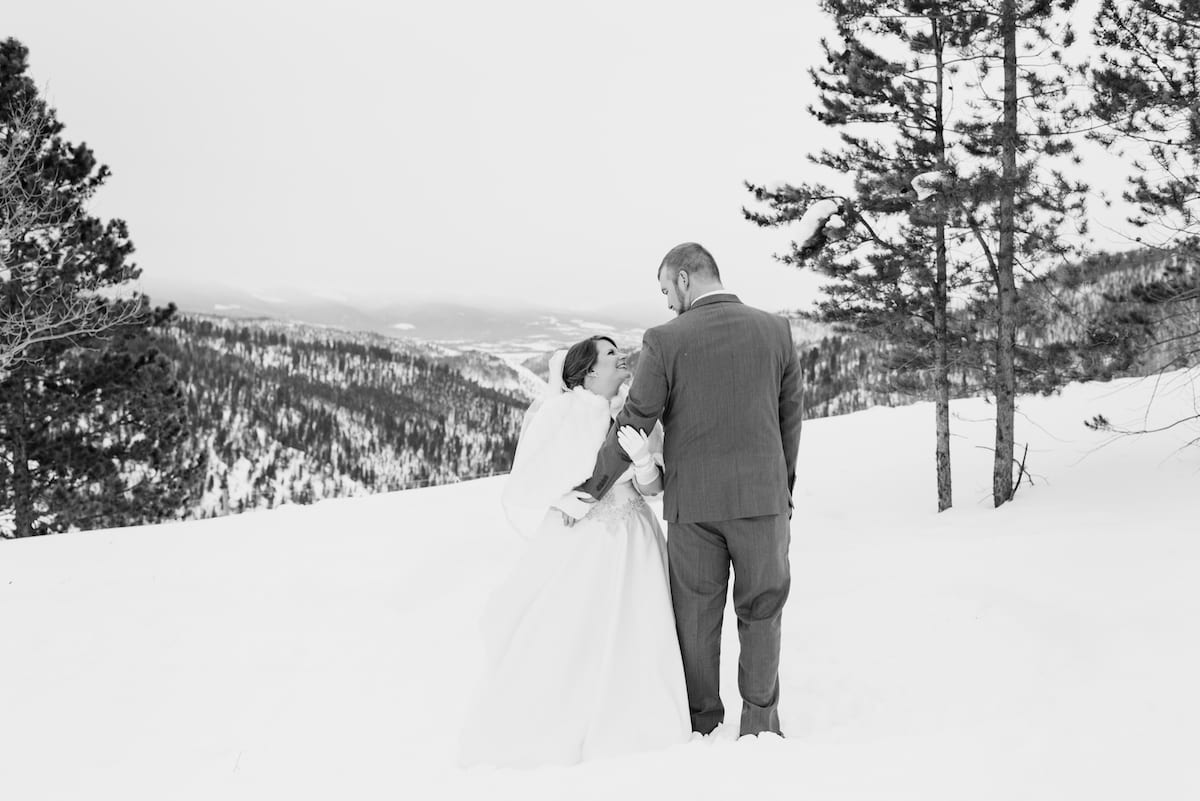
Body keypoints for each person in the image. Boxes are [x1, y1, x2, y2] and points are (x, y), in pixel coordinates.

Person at [574, 243, 803, 738]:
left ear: (683, 279)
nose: (667, 302)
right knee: (762, 611)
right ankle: (760, 726)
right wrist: (781, 489)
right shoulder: (776, 330)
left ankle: (702, 725)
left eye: (665, 290)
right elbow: (790, 421)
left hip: (694, 507)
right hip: (763, 503)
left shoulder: (665, 340)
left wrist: (590, 490)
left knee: (696, 619)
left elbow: (635, 422)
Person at [458, 335, 691, 768]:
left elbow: (654, 489)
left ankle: (636, 715)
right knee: (576, 625)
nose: (620, 358)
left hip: (635, 537)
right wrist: (566, 501)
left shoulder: (636, 412)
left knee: (639, 624)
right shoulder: (561, 414)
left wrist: (643, 462)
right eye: (609, 354)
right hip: (583, 539)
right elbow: (528, 480)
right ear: (589, 371)